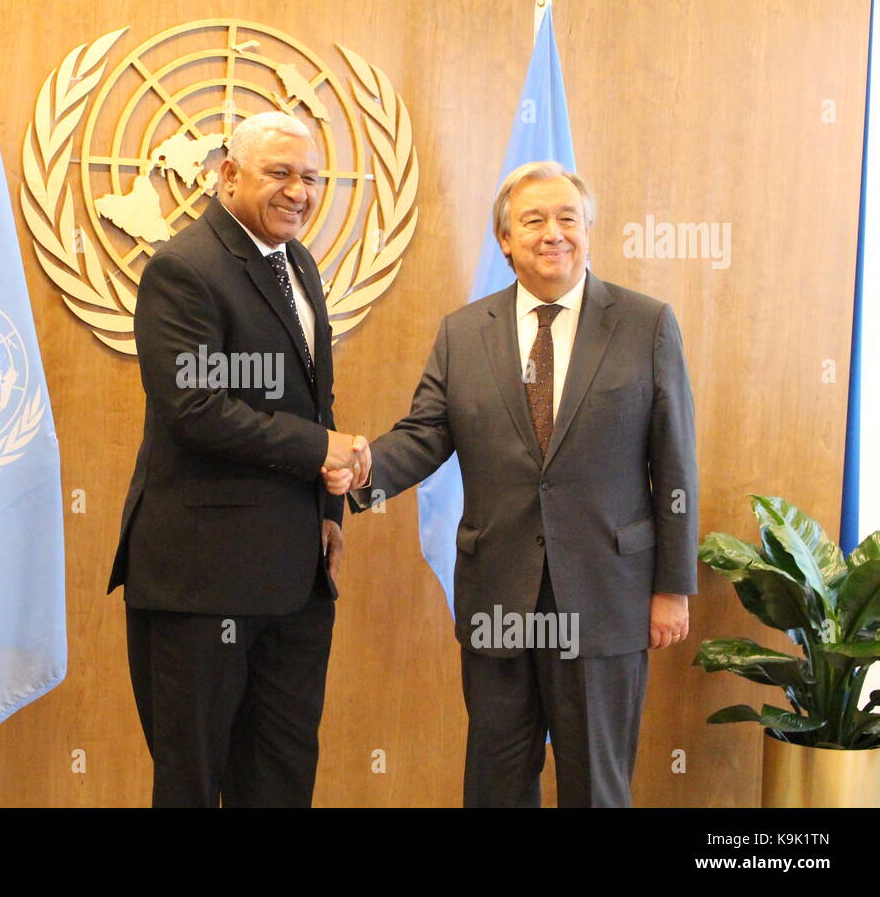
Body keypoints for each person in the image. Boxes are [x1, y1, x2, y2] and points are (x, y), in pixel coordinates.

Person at [328, 161, 697, 807]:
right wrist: (363, 469)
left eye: (567, 219)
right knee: (496, 783)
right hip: (499, 595)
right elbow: (425, 435)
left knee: (596, 787)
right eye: (534, 220)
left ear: (588, 231)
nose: (553, 233)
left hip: (607, 599)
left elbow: (675, 467)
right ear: (505, 239)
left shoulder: (646, 325)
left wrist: (673, 588)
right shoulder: (465, 333)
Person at [108, 111, 370, 807]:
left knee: (281, 779)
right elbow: (196, 410)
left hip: (296, 580)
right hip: (203, 582)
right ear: (227, 175)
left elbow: (316, 402)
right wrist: (321, 451)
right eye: (279, 173)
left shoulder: (300, 264)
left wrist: (330, 510)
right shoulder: (183, 267)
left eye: (312, 178)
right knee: (194, 782)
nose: (299, 192)